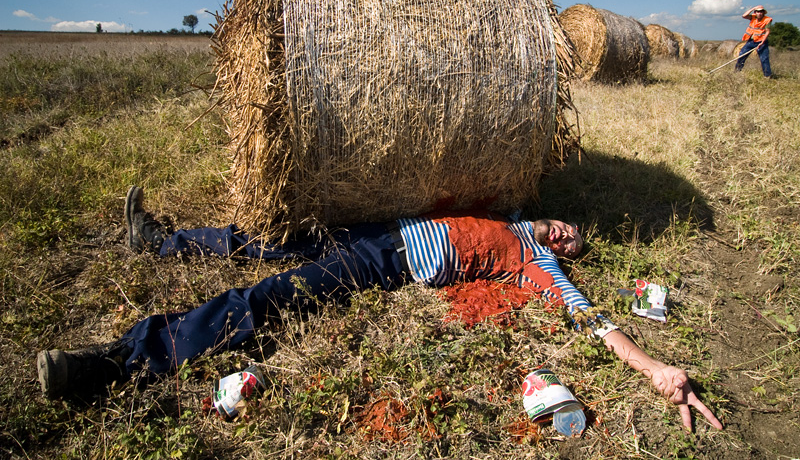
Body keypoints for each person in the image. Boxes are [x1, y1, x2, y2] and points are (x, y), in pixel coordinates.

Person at [37, 186, 722, 432]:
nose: (565, 236)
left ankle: (118, 362)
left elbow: (592, 320)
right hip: (376, 223)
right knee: (265, 239)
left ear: (562, 257)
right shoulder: (507, 206)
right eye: (569, 227)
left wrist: (654, 367)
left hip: (387, 261)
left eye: (572, 244)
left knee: (266, 298)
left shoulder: (533, 263)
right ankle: (160, 241)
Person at [735, 5, 773, 77]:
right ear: (755, 12)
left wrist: (762, 42)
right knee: (742, 55)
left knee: (764, 59)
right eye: (758, 11)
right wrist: (753, 8)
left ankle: (767, 76)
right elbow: (744, 16)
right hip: (751, 41)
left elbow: (767, 32)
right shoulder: (753, 17)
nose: (759, 13)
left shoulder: (767, 20)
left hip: (761, 42)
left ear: (763, 13)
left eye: (761, 12)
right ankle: (737, 72)